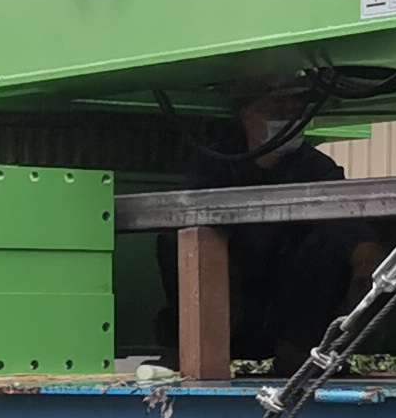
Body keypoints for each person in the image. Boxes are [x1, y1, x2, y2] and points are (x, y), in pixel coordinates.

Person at [158, 90, 373, 368]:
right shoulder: (216, 165)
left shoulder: (317, 168)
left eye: (296, 105)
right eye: (277, 105)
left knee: (325, 241)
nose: (289, 112)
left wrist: (366, 266)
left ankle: (298, 351)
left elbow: (350, 229)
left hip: (292, 307)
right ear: (245, 112)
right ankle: (193, 345)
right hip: (232, 306)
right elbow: (187, 223)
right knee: (178, 239)